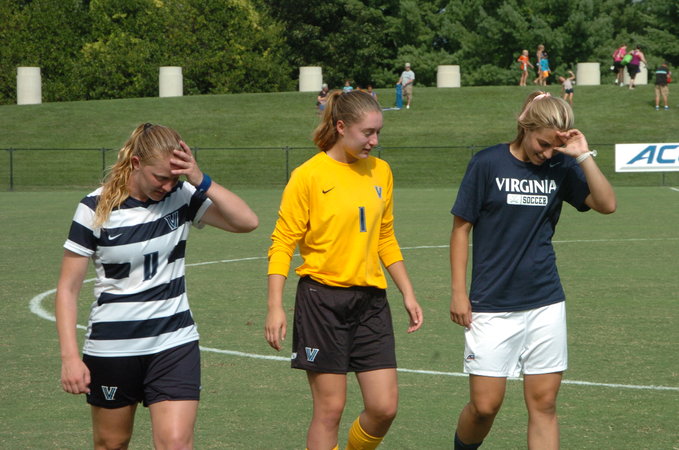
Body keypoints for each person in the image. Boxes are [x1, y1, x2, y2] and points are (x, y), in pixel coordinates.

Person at [55, 123, 259, 449]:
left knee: (175, 443)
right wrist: (69, 358)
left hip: (174, 341)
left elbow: (247, 222)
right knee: (111, 443)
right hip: (114, 348)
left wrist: (199, 179)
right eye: (160, 178)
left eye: (173, 179)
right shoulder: (93, 208)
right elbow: (67, 289)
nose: (167, 186)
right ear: (136, 163)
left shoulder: (182, 196)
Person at [449, 91, 616, 450]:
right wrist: (459, 292)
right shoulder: (487, 163)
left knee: (544, 404)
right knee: (484, 407)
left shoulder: (562, 166)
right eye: (543, 144)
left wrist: (582, 154)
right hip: (491, 303)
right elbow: (461, 229)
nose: (548, 153)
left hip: (545, 302)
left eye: (556, 146)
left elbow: (607, 204)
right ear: (525, 127)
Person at [265, 90, 423, 450]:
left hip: (371, 302)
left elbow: (385, 236)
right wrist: (275, 306)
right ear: (340, 127)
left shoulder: (381, 171)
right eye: (367, 132)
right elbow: (282, 243)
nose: (375, 141)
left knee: (384, 407)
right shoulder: (308, 175)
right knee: (330, 409)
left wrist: (408, 292)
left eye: (378, 132)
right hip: (322, 302)